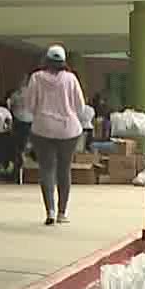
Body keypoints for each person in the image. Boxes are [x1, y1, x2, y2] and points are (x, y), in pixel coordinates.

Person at [21, 44, 88, 225]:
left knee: (46, 170)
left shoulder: (36, 78)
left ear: (47, 60)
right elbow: (80, 106)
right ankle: (62, 212)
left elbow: (29, 106)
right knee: (64, 169)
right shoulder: (71, 79)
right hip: (68, 130)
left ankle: (49, 211)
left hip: (42, 129)